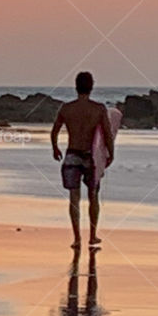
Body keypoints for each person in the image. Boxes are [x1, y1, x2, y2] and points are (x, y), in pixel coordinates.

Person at [51, 72, 115, 249]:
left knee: (74, 198)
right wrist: (111, 153)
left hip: (71, 154)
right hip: (90, 157)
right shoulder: (99, 109)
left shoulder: (66, 108)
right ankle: (92, 236)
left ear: (76, 86)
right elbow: (108, 134)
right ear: (91, 87)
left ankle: (77, 238)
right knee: (93, 195)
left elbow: (54, 130)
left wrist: (55, 148)